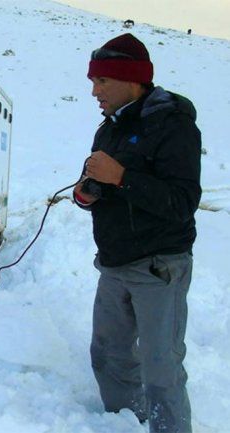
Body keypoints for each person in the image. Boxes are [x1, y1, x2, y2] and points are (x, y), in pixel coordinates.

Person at [74, 33, 201, 433]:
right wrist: (87, 193)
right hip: (114, 264)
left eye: (102, 82)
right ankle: (126, 422)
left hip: (158, 267)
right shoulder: (108, 128)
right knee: (108, 355)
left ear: (131, 80)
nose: (94, 91)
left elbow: (182, 201)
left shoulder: (172, 125)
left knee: (160, 366)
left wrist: (122, 177)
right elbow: (98, 181)